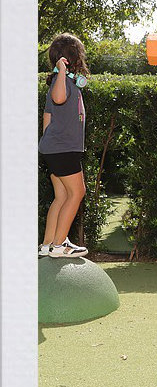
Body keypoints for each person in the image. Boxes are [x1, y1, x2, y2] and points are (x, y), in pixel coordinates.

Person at [38, 33, 89, 258]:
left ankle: (47, 244)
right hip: (63, 149)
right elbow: (58, 99)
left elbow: (47, 116)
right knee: (77, 192)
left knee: (61, 196)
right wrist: (61, 71)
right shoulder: (62, 83)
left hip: (55, 149)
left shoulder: (63, 83)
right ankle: (59, 246)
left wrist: (48, 145)